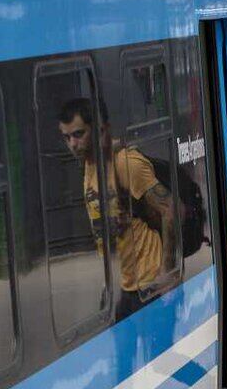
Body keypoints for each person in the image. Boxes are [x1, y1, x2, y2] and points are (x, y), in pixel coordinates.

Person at [58, 98, 176, 320]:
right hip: (123, 286)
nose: (73, 144)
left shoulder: (124, 163)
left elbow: (170, 208)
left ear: (98, 129)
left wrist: (167, 272)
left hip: (149, 284)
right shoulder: (89, 164)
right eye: (67, 137)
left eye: (78, 134)